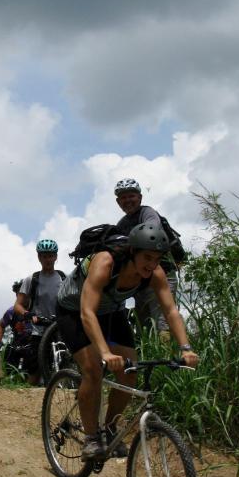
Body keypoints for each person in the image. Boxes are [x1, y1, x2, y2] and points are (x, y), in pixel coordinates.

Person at [56, 222, 198, 459]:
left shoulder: (155, 273)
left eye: (157, 259)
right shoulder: (105, 263)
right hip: (74, 309)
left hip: (111, 310)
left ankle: (110, 430)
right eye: (147, 257)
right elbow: (87, 313)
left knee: (130, 372)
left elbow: (170, 311)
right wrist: (105, 353)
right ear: (132, 251)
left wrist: (186, 348)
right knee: (93, 371)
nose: (151, 265)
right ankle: (91, 438)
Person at [114, 178, 181, 339]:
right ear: (118, 202)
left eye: (131, 196)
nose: (127, 200)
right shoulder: (122, 224)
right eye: (123, 198)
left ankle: (169, 360)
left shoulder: (147, 213)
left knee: (163, 321)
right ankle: (149, 359)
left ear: (140, 198)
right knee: (144, 325)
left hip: (162, 273)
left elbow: (151, 230)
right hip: (142, 279)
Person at [13, 239, 65, 385]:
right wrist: (27, 314)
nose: (47, 259)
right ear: (39, 257)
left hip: (58, 327)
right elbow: (18, 305)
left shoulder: (63, 278)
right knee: (35, 367)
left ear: (55, 257)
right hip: (38, 328)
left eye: (50, 256)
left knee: (66, 360)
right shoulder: (32, 279)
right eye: (44, 256)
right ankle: (31, 397)